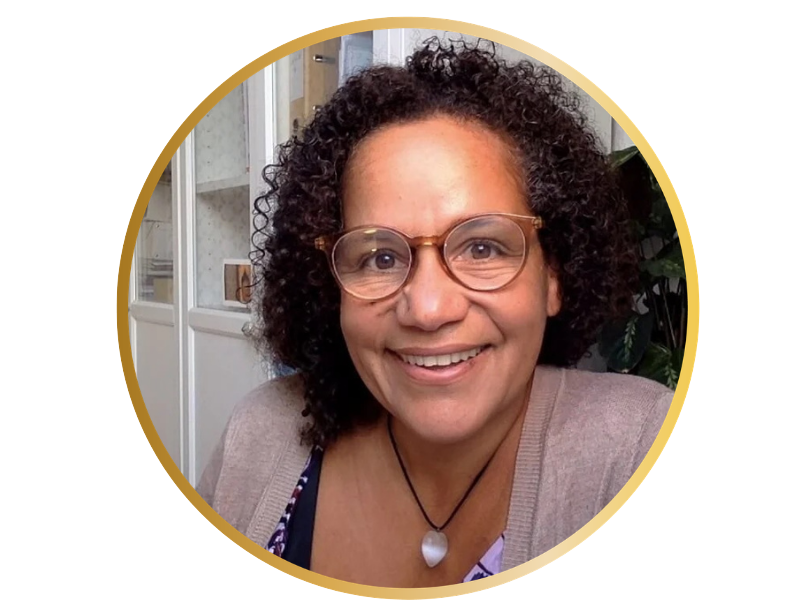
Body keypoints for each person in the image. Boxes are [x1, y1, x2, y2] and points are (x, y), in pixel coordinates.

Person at [198, 37, 674, 588]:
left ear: (553, 276)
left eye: (482, 247)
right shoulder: (259, 434)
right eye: (379, 257)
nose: (427, 309)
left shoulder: (642, 447)